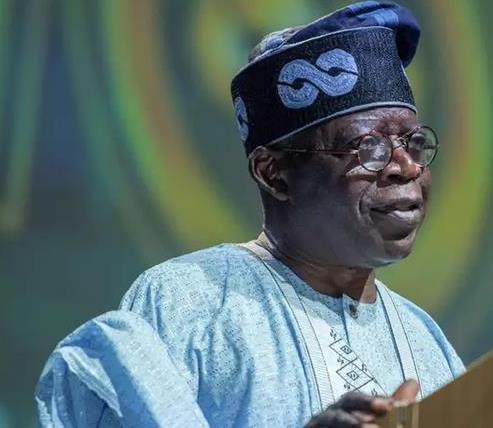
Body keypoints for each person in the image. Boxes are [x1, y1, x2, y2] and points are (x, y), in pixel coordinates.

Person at [35, 2, 465, 426]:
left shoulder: (424, 339)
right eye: (368, 148)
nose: (407, 168)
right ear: (273, 173)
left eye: (413, 144)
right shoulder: (188, 301)